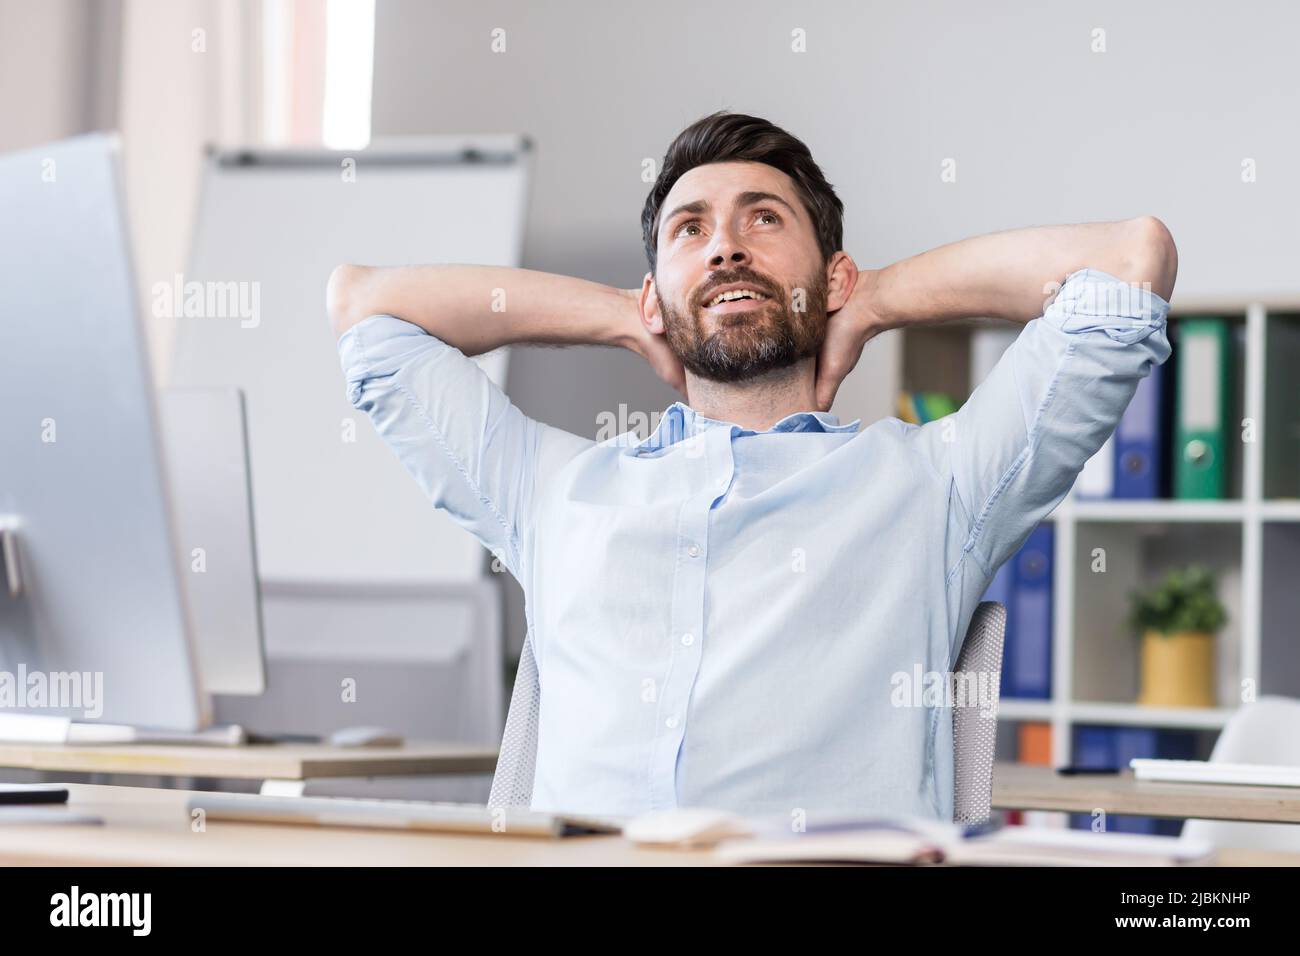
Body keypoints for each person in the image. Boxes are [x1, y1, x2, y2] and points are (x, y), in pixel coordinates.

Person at [327, 111, 1176, 820]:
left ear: (831, 274)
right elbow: (367, 310)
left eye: (763, 218)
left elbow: (1131, 262)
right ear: (659, 289)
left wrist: (877, 297)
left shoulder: (934, 487)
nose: (726, 248)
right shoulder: (553, 491)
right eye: (690, 230)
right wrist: (627, 315)